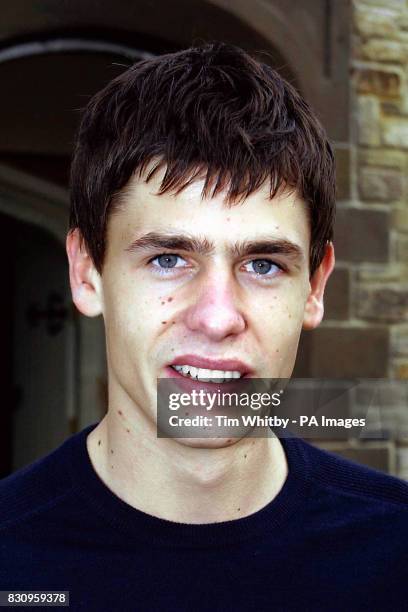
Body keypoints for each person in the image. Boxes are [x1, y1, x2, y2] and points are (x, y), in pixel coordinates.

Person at [1, 42, 407, 611]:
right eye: (168, 259)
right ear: (87, 272)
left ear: (314, 287)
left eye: (263, 264)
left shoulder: (395, 552)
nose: (218, 317)